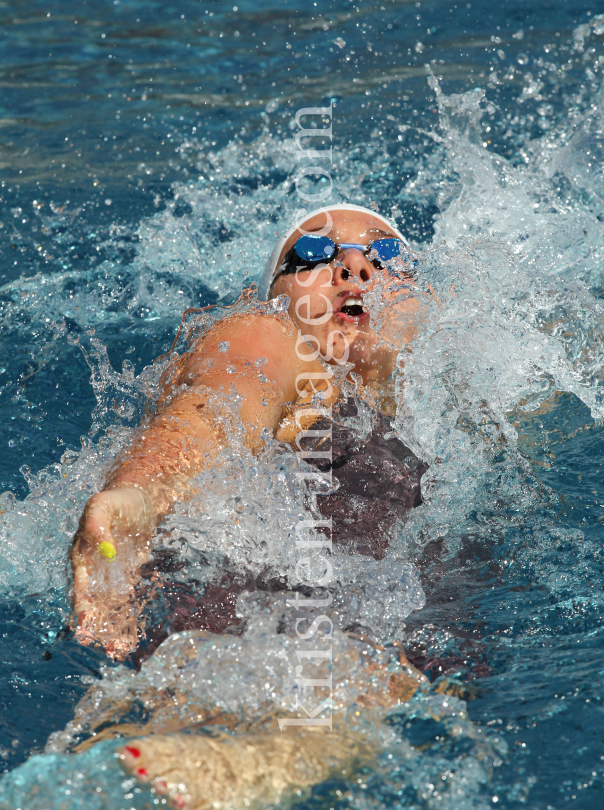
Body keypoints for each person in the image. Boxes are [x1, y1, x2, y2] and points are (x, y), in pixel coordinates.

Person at [69, 203, 434, 808]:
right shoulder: (277, 343)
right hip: (248, 597)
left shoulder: (474, 395)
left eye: (385, 255)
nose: (353, 267)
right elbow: (219, 399)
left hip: (393, 626)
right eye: (312, 256)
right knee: (354, 695)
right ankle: (246, 766)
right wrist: (142, 495)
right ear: (273, 297)